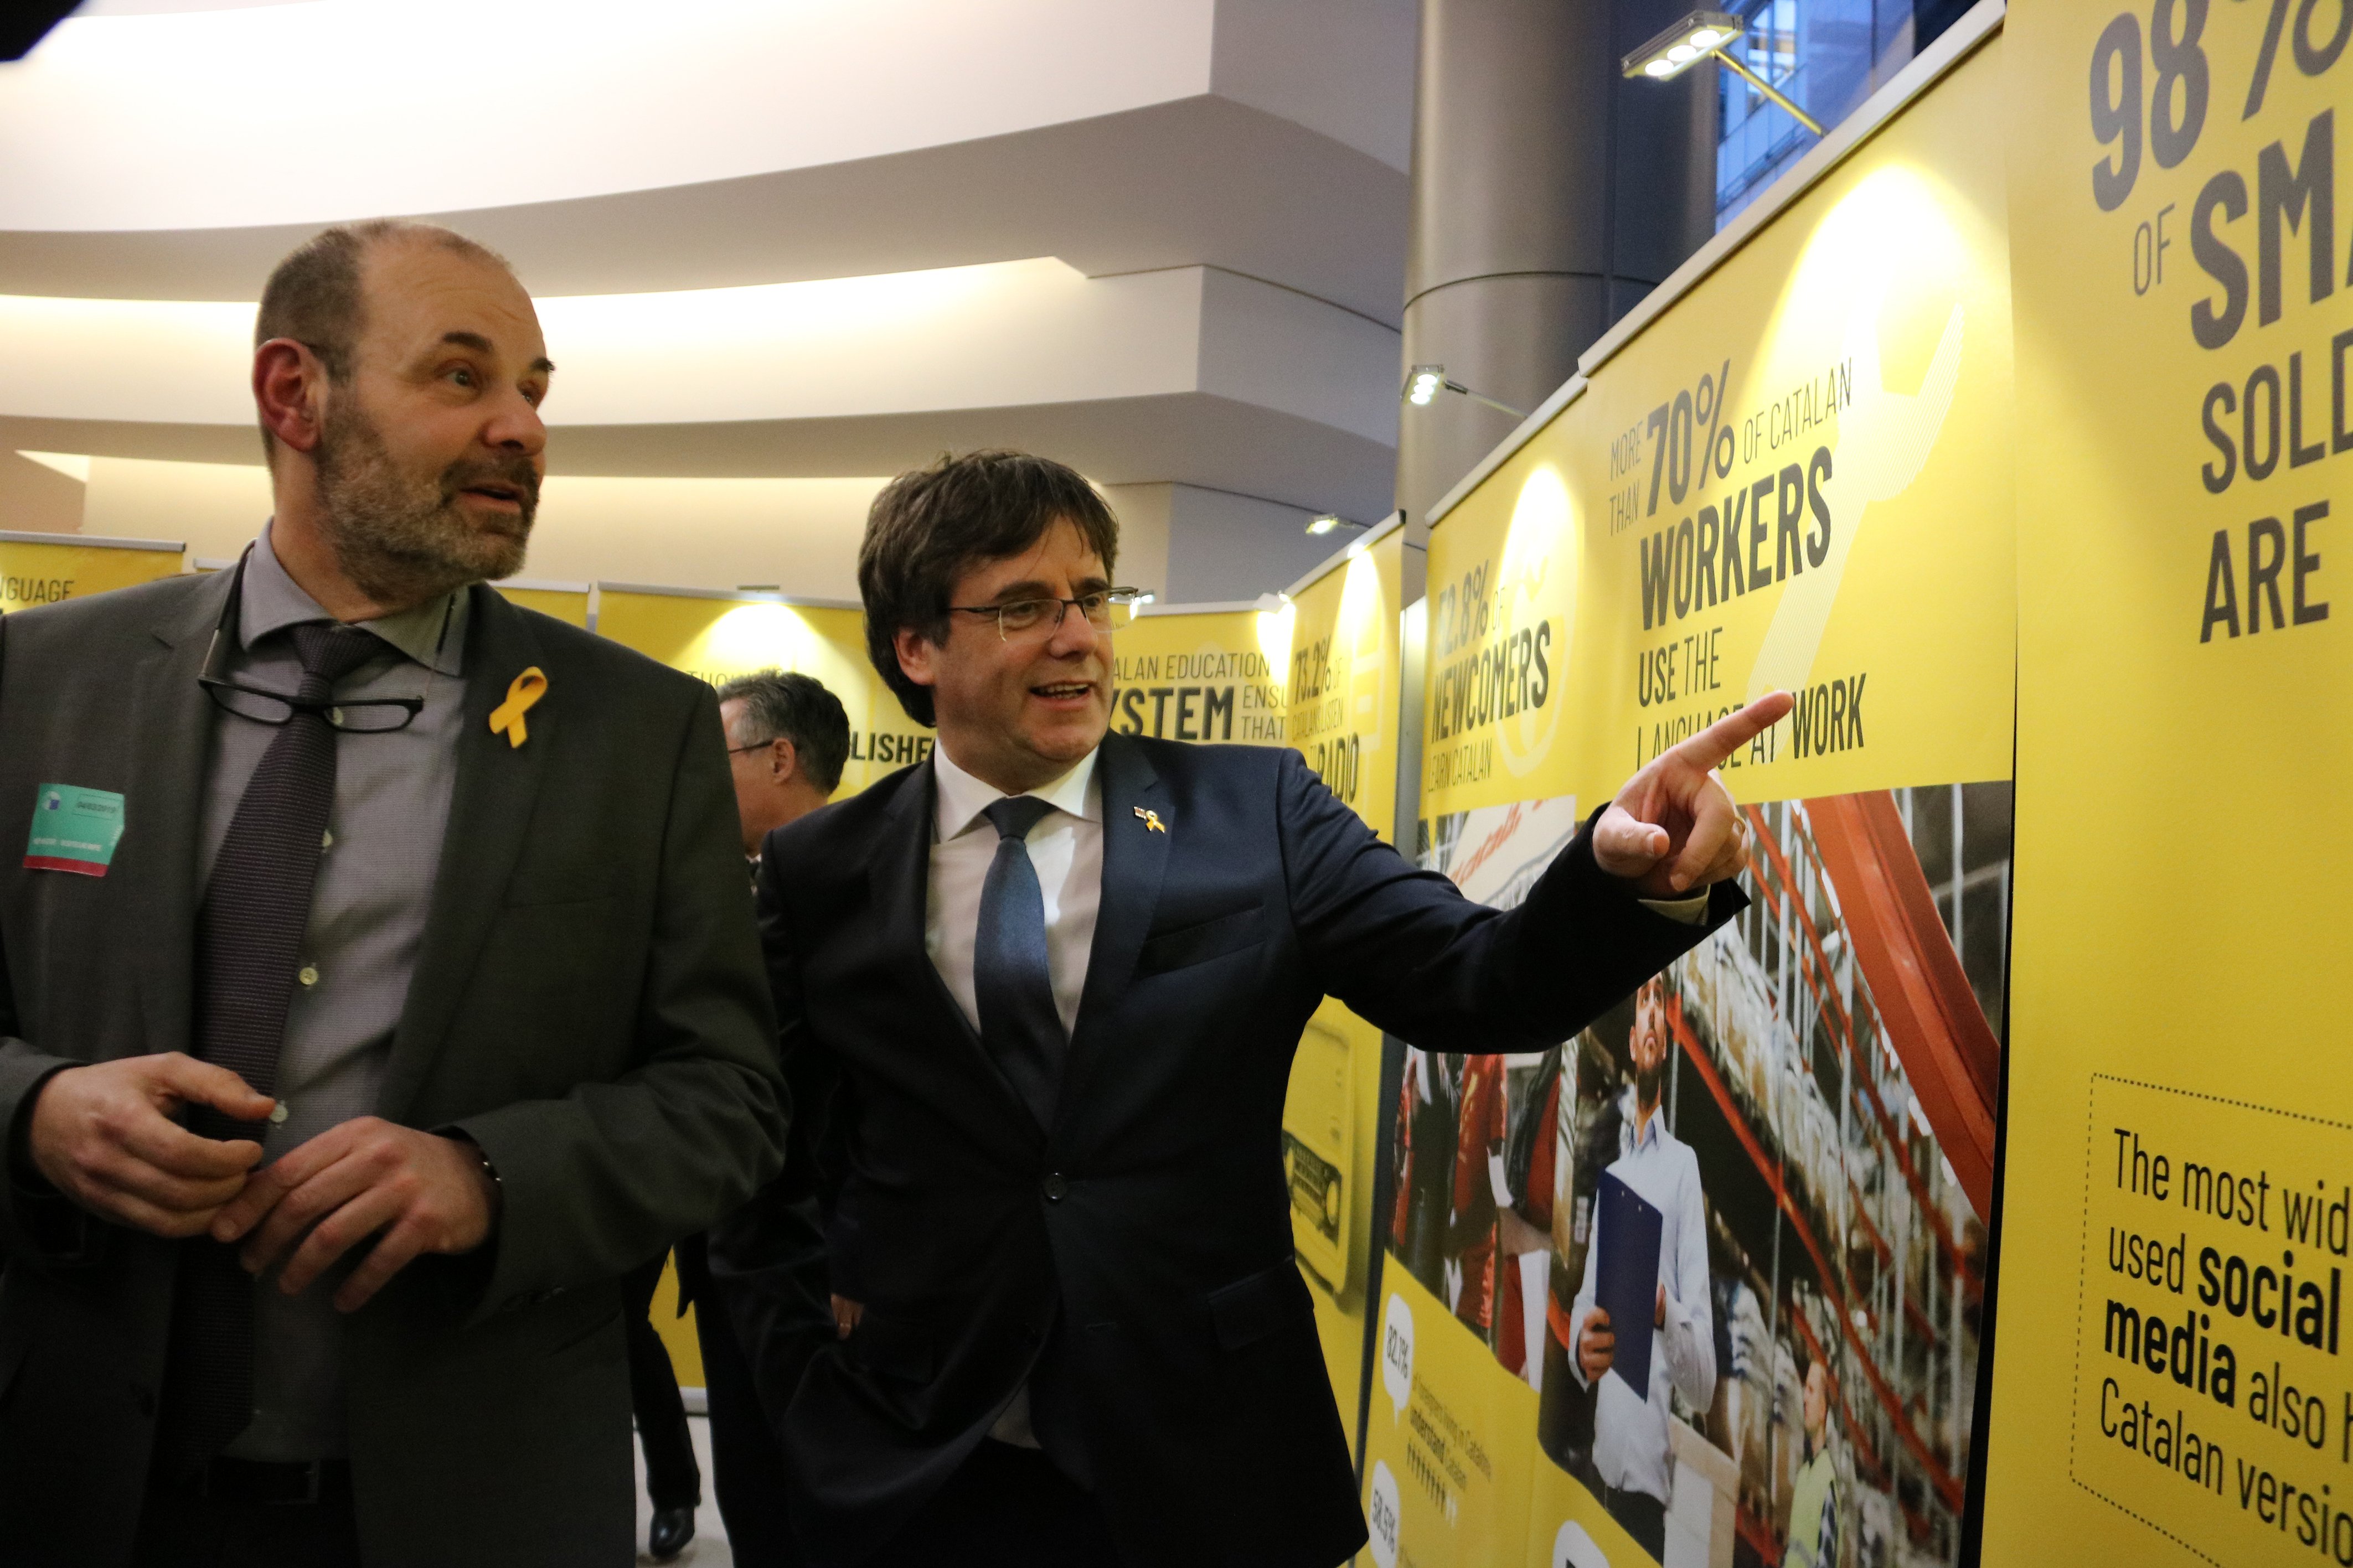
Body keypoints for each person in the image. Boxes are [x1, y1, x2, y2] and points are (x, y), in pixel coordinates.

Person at [716, 449, 1789, 1568]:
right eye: (1023, 607)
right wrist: (806, 1398)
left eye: (1090, 598)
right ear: (917, 645)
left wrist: (1624, 883)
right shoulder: (819, 869)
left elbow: (1484, 979)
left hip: (1206, 1461)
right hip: (918, 1469)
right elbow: (759, 1172)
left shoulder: (1254, 811)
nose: (1078, 636)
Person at [0, 219, 786, 1568]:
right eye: (462, 377)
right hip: (74, 1481)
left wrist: (491, 1173)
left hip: (468, 1494)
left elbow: (729, 1096)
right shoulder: (38, 684)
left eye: (536, 390)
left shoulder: (637, 732)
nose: (523, 429)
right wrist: (34, 1106)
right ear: (293, 394)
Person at [652, 669, 853, 1568]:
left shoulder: (868, 887)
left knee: (821, 1509)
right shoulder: (710, 889)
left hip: (824, 1277)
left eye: (715, 754)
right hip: (727, 1256)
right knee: (753, 1497)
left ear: (780, 756)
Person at [1568, 978, 1718, 1560]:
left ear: (1665, 1039)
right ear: (1633, 1041)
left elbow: (1702, 1385)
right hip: (1593, 1471)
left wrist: (1662, 1309)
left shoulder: (1683, 1169)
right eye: (1643, 1002)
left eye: (1660, 1002)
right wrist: (1582, 1349)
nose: (1652, 1012)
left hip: (1639, 1502)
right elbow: (1585, 1300)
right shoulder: (1613, 1178)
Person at [1786, 1357, 1840, 1568]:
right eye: (1804, 1389)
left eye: (1811, 1390)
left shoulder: (1826, 1481)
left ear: (1823, 1409)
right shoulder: (1804, 1476)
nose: (1804, 1398)